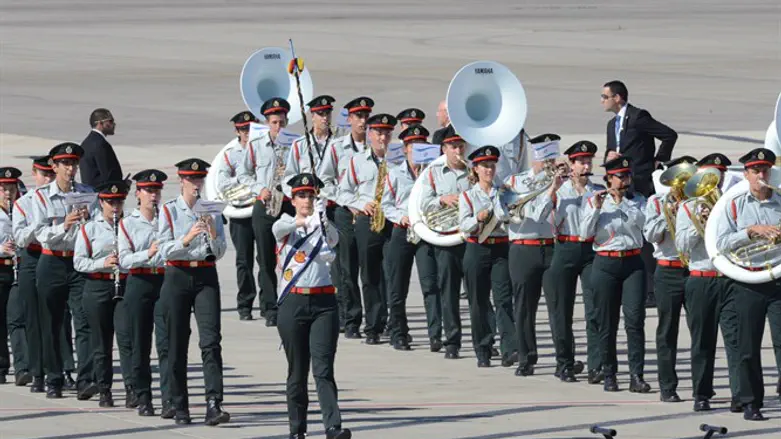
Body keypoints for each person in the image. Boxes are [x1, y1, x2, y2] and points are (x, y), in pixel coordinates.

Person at [273, 173, 351, 439]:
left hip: (324, 302)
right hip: (293, 301)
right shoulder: (285, 221)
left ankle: (333, 426)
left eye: (311, 195)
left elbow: (333, 245)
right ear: (292, 199)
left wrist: (322, 222)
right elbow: (278, 231)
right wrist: (305, 221)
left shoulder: (323, 224)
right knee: (297, 371)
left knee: (324, 369)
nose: (307, 199)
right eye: (302, 195)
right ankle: (297, 429)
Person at [158, 158, 229, 425]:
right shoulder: (169, 211)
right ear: (182, 181)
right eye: (192, 180)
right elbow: (163, 250)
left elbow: (220, 251)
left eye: (200, 180)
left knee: (211, 340)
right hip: (177, 274)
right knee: (177, 341)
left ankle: (214, 402)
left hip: (205, 274)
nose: (196, 185)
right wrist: (186, 238)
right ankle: (180, 405)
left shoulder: (212, 210)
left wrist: (211, 231)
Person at [713, 147, 781, 421]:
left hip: (778, 280)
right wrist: (751, 232)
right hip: (747, 280)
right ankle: (752, 401)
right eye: (755, 171)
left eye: (765, 169)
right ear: (746, 174)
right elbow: (720, 243)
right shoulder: (733, 204)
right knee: (747, 345)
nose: (761, 175)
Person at [601, 80, 678, 308]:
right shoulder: (611, 124)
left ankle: (651, 289)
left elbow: (669, 135)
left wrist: (658, 161)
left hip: (640, 182)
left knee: (645, 236)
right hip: (619, 183)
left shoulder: (638, 117)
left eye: (605, 96)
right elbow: (611, 149)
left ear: (618, 98)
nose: (602, 101)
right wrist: (608, 158)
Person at [674, 153, 741, 413]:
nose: (715, 180)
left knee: (736, 340)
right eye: (709, 175)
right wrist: (697, 224)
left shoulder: (731, 204)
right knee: (702, 341)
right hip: (701, 278)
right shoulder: (688, 207)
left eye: (719, 174)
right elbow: (681, 246)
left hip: (729, 279)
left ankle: (740, 394)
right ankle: (701, 393)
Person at [31, 142, 98, 399]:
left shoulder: (87, 192)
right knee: (51, 322)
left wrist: (88, 225)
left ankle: (85, 379)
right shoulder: (41, 196)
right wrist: (65, 226)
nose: (71, 169)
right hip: (52, 261)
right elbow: (40, 233)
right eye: (65, 164)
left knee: (84, 321)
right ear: (54, 166)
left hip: (78, 262)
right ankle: (54, 378)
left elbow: (97, 226)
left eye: (74, 164)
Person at [581, 156, 649, 393]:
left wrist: (624, 203)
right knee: (606, 322)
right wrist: (598, 208)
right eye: (619, 177)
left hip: (632, 262)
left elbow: (645, 226)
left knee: (634, 319)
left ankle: (636, 375)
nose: (624, 181)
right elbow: (584, 233)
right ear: (609, 179)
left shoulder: (638, 200)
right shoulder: (594, 201)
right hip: (605, 263)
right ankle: (609, 373)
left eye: (626, 176)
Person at [12, 156, 76, 392]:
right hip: (33, 256)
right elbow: (22, 236)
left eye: (50, 175)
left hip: (56, 257)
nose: (47, 179)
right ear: (34, 175)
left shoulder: (62, 197)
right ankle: (37, 371)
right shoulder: (27, 202)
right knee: (35, 317)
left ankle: (64, 369)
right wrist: (39, 229)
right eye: (43, 175)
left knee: (60, 317)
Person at [505, 134, 564, 374]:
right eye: (545, 157)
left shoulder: (562, 182)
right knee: (524, 307)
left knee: (558, 306)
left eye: (552, 157)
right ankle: (526, 358)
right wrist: (552, 189)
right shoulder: (515, 183)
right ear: (534, 157)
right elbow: (535, 214)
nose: (549, 163)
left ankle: (564, 361)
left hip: (551, 246)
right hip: (523, 247)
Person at [543, 141, 601, 383]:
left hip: (590, 250)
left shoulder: (597, 190)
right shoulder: (560, 190)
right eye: (581, 162)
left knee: (595, 309)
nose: (586, 165)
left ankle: (596, 365)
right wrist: (552, 189)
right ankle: (564, 362)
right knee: (560, 310)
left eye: (589, 161)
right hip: (565, 247)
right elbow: (539, 213)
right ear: (572, 164)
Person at [282, 95, 342, 326]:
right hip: (309, 209)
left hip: (333, 206)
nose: (324, 118)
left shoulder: (338, 142)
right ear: (312, 116)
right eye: (320, 114)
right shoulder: (300, 145)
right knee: (313, 255)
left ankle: (343, 310)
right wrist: (298, 197)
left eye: (327, 113)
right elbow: (288, 177)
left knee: (339, 259)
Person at [381, 124, 442, 351]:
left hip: (426, 231)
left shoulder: (433, 173)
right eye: (411, 146)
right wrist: (401, 216)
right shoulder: (395, 174)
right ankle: (398, 332)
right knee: (397, 286)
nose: (416, 149)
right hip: (402, 231)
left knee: (430, 284)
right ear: (405, 149)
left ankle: (435, 334)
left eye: (421, 145)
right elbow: (386, 204)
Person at [642, 155, 697, 403]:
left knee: (700, 329)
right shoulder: (656, 202)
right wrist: (669, 213)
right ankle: (667, 385)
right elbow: (651, 235)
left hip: (694, 270)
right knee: (667, 330)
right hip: (667, 270)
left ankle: (701, 388)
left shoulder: (700, 200)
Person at [339, 113, 397, 344]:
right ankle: (373, 325)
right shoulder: (357, 161)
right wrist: (361, 204)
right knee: (370, 274)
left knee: (393, 275)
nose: (382, 137)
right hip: (367, 219)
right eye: (378, 132)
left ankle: (395, 324)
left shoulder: (399, 160)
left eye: (386, 133)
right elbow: (343, 192)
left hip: (393, 220)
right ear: (370, 134)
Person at [74, 180, 132, 408]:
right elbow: (79, 261)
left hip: (123, 284)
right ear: (101, 202)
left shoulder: (130, 224)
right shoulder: (89, 228)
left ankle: (131, 389)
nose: (115, 207)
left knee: (127, 340)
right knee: (101, 342)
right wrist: (102, 262)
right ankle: (104, 389)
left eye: (118, 202)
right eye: (110, 202)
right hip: (97, 286)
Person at [237, 97, 294, 327]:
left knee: (290, 256)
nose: (278, 127)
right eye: (274, 122)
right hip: (265, 205)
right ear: (267, 122)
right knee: (266, 258)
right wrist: (259, 189)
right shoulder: (256, 145)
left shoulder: (295, 144)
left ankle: (289, 302)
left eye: (281, 122)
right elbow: (243, 174)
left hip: (288, 204)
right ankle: (270, 308)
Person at [118, 169, 170, 417]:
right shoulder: (127, 223)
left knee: (167, 342)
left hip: (164, 280)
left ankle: (170, 397)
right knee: (140, 343)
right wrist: (147, 254)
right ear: (138, 194)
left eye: (157, 191)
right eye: (149, 191)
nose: (153, 195)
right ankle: (143, 396)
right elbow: (124, 259)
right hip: (139, 281)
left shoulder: (167, 219)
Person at [420, 125, 472, 359]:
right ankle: (452, 341)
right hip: (446, 239)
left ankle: (485, 339)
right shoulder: (433, 172)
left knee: (477, 292)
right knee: (448, 292)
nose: (458, 150)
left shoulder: (475, 170)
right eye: (453, 146)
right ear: (444, 148)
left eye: (461, 146)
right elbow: (422, 203)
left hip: (471, 237)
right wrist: (442, 199)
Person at [459, 145, 511, 368]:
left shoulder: (505, 191)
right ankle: (483, 347)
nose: (489, 170)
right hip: (477, 248)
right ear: (476, 169)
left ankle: (510, 348)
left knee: (504, 299)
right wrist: (477, 220)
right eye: (485, 166)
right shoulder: (468, 196)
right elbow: (463, 224)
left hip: (500, 247)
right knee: (478, 301)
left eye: (492, 165)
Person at [333, 97, 373, 338]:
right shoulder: (337, 148)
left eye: (366, 116)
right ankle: (351, 320)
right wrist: (350, 202)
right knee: (347, 270)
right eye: (358, 116)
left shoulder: (378, 146)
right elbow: (327, 180)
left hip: (370, 216)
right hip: (346, 213)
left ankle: (376, 320)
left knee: (371, 270)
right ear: (349, 120)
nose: (363, 121)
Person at [219, 110, 260, 320]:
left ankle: (270, 302)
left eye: (251, 128)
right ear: (237, 130)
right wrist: (246, 182)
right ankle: (245, 303)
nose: (247, 132)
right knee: (244, 260)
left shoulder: (263, 148)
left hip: (260, 208)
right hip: (240, 211)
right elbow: (223, 183)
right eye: (243, 129)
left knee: (266, 259)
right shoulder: (230, 153)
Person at [0, 167, 23, 385]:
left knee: (17, 319)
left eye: (12, 188)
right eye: (3, 188)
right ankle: (0, 366)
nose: (8, 192)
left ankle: (23, 368)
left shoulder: (21, 209)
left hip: (17, 268)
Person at [79, 108, 123, 188]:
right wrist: (121, 185)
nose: (114, 124)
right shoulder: (100, 144)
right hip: (102, 194)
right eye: (110, 121)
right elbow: (107, 175)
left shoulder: (86, 142)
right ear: (100, 123)